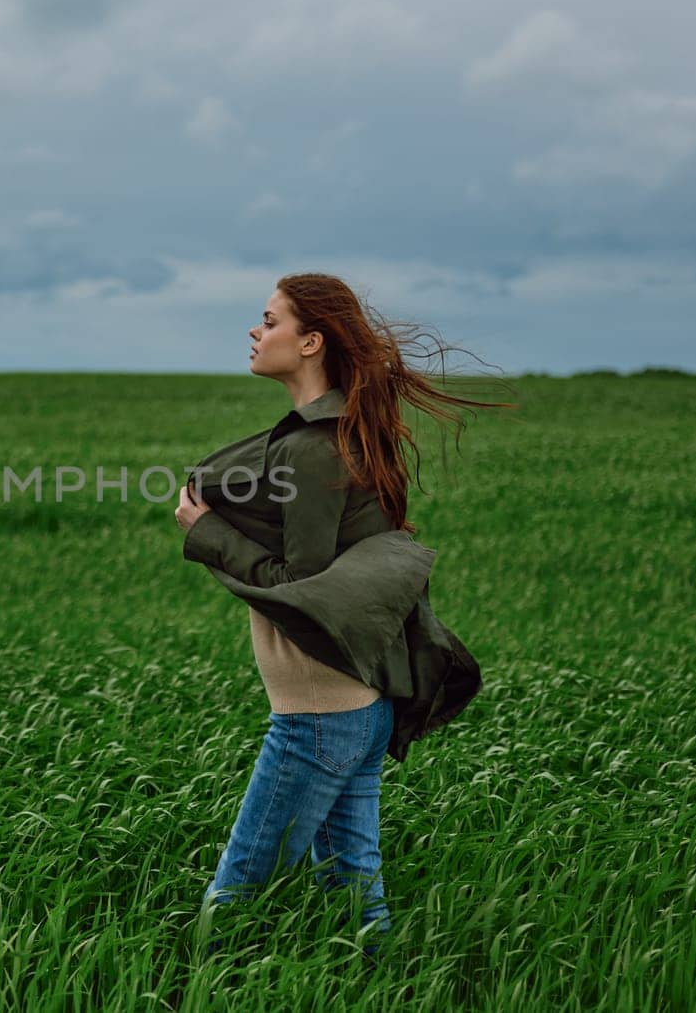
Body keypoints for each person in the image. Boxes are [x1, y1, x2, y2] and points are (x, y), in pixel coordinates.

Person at [174, 273, 514, 966]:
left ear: (309, 342)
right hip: (360, 708)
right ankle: (382, 987)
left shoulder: (312, 447)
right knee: (354, 892)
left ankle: (197, 989)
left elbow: (303, 588)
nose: (253, 330)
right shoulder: (338, 432)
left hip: (319, 716)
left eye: (268, 320)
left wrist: (207, 530)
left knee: (239, 893)